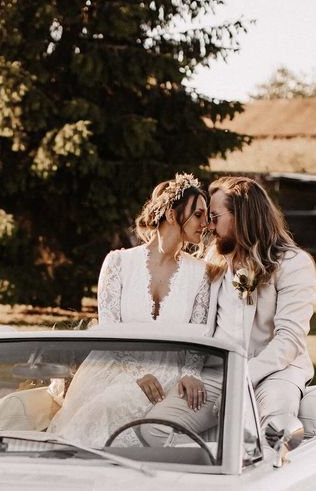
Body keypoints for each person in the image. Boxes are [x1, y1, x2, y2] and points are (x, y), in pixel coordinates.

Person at [47, 173, 221, 447]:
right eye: (198, 214)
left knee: (112, 410)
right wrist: (137, 372)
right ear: (172, 215)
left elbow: (200, 334)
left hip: (167, 371)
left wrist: (192, 372)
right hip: (114, 364)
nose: (206, 224)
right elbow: (108, 329)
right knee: (99, 409)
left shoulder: (200, 274)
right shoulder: (117, 263)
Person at [145, 175, 316, 438]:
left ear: (243, 216)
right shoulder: (212, 264)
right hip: (217, 376)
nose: (208, 227)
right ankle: (208, 471)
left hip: (275, 374)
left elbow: (289, 341)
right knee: (154, 429)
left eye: (214, 217)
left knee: (272, 432)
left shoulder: (293, 263)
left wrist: (243, 376)